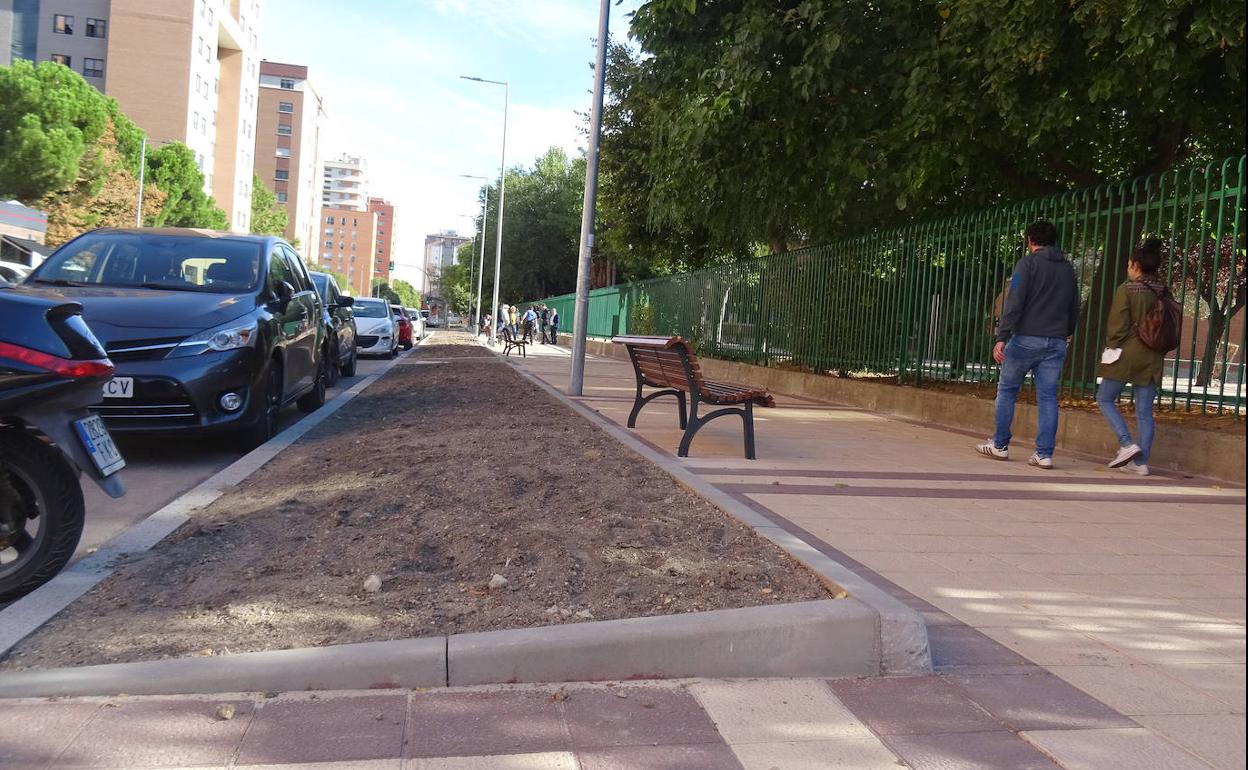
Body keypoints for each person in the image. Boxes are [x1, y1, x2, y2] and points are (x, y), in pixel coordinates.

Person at [975, 220, 1080, 469]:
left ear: (1030, 240)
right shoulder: (1068, 269)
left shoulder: (1027, 264)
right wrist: (1067, 333)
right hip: (1056, 340)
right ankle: (1044, 454)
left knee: (1008, 390)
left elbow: (1015, 301)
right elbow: (1074, 305)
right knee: (1047, 397)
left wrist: (1002, 336)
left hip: (1026, 339)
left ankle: (999, 445)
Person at [1095, 238, 1168, 476]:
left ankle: (1126, 444)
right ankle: (1141, 462)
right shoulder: (1164, 291)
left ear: (1135, 265)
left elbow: (1116, 326)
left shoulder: (1127, 288)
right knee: (1145, 412)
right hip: (1153, 355)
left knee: (1105, 398)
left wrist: (1112, 347)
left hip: (1127, 352)